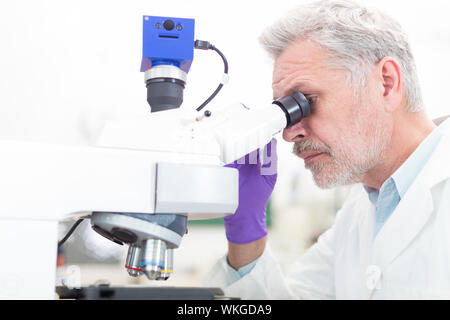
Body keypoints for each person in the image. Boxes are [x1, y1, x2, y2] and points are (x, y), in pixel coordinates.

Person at [202, 0, 450, 299]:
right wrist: (246, 227)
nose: (290, 132)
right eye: (285, 112)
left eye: (305, 101)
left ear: (385, 83)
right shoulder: (360, 212)